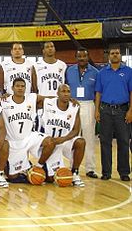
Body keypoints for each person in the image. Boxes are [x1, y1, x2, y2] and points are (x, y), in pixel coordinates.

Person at [0, 78, 56, 183]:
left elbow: (50, 100)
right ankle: (3, 166)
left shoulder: (32, 98)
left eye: (22, 86)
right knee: (13, 177)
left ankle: (39, 166)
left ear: (25, 88)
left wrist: (65, 98)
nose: (20, 88)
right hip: (13, 142)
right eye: (17, 86)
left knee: (50, 142)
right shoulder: (3, 101)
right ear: (12, 88)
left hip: (29, 137)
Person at [95, 46, 132, 181]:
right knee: (105, 142)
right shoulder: (102, 73)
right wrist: (96, 110)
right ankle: (106, 172)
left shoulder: (128, 72)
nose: (115, 55)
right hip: (105, 110)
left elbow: (131, 92)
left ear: (120, 55)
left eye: (117, 53)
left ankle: (124, 172)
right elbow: (98, 92)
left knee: (123, 141)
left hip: (122, 110)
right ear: (108, 56)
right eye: (112, 53)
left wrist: (130, 111)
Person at [41, 84, 85, 187]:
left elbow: (76, 130)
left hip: (64, 141)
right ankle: (41, 166)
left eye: (68, 92)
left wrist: (63, 139)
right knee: (50, 179)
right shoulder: (47, 103)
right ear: (57, 93)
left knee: (81, 142)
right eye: (63, 91)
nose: (66, 94)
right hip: (49, 143)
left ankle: (75, 172)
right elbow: (30, 99)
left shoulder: (74, 107)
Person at [66, 48, 99, 178]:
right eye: (79, 56)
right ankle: (73, 167)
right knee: (73, 137)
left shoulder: (95, 72)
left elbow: (98, 93)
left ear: (88, 57)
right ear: (76, 57)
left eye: (84, 56)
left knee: (89, 137)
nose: (82, 59)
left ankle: (90, 168)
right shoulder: (69, 71)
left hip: (88, 104)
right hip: (72, 105)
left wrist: (97, 108)